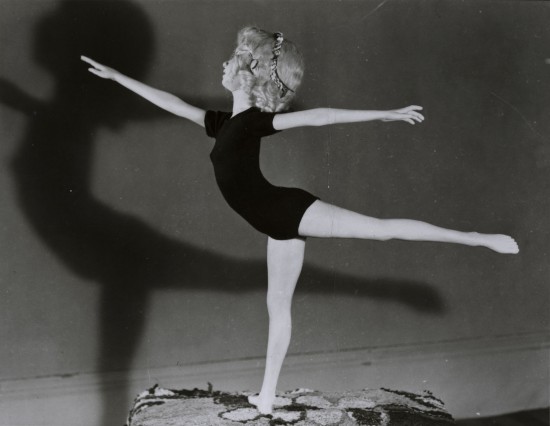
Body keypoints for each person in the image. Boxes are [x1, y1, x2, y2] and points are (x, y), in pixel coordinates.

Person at [81, 26, 518, 415]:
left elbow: (320, 116)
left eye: (232, 59)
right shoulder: (223, 123)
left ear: (251, 71)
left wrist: (383, 114)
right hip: (274, 225)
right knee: (278, 307)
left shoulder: (255, 122)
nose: (223, 65)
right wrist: (119, 78)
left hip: (288, 210)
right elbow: (173, 104)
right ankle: (267, 397)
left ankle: (476, 238)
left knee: (381, 230)